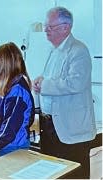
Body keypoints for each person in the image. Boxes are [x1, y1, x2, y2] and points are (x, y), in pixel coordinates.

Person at [32, 7, 96, 179]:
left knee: (74, 173)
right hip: (50, 126)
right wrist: (40, 81)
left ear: (65, 27)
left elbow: (74, 83)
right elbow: (51, 80)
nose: (45, 30)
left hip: (71, 128)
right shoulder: (52, 51)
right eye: (46, 26)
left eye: (50, 27)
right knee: (53, 172)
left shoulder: (78, 50)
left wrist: (44, 85)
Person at [0, 42, 35, 157]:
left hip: (14, 145)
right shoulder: (7, 85)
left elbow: (10, 126)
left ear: (5, 64)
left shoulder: (17, 91)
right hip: (9, 144)